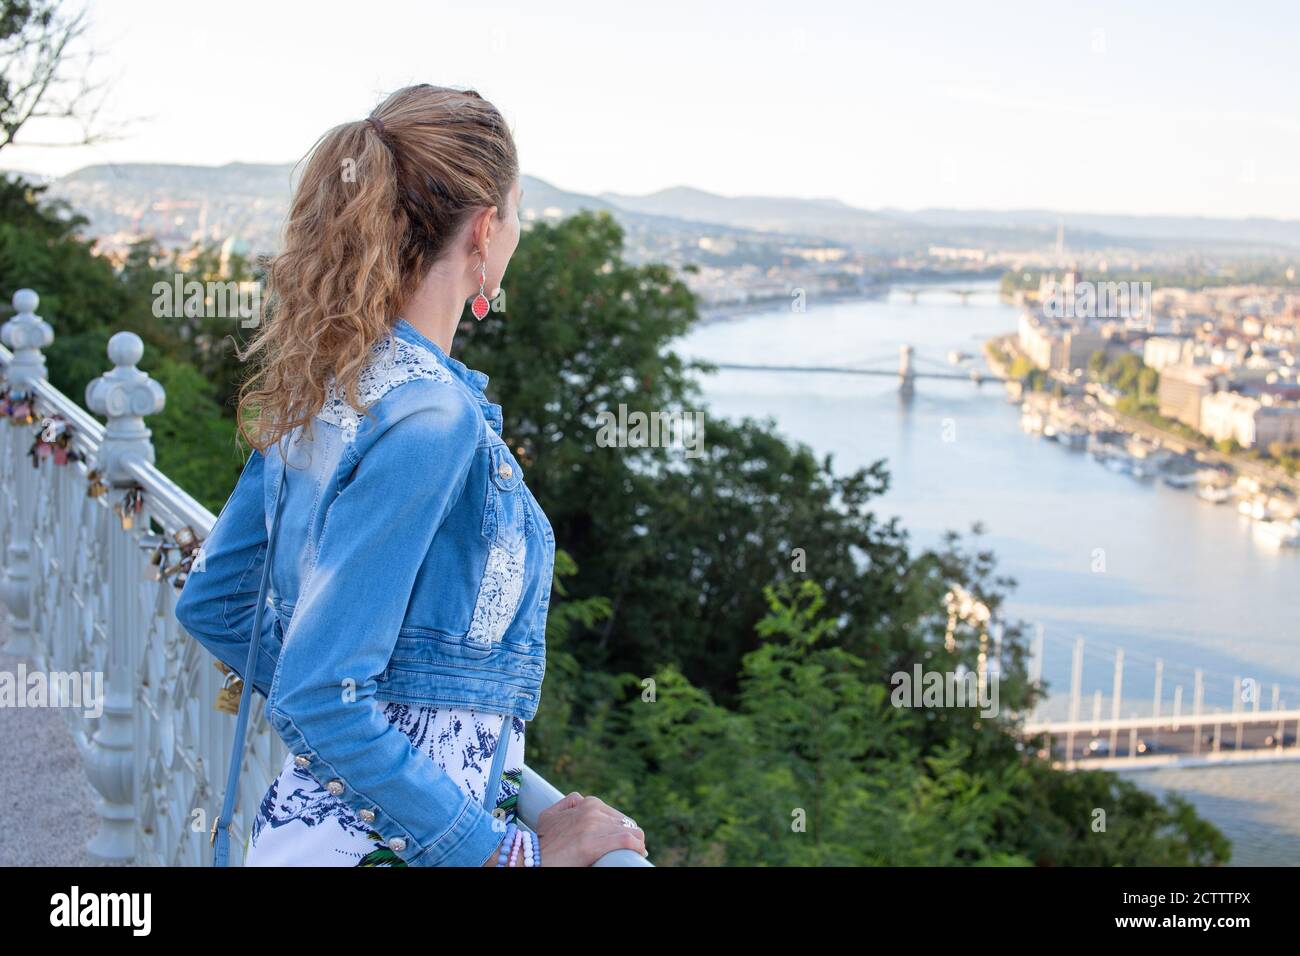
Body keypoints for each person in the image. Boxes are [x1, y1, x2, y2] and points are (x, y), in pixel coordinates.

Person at [174, 84, 646, 867]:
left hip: (309, 837)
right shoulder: (432, 419)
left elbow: (218, 601)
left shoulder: (336, 383)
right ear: (487, 229)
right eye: (518, 212)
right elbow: (320, 694)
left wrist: (363, 710)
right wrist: (504, 853)